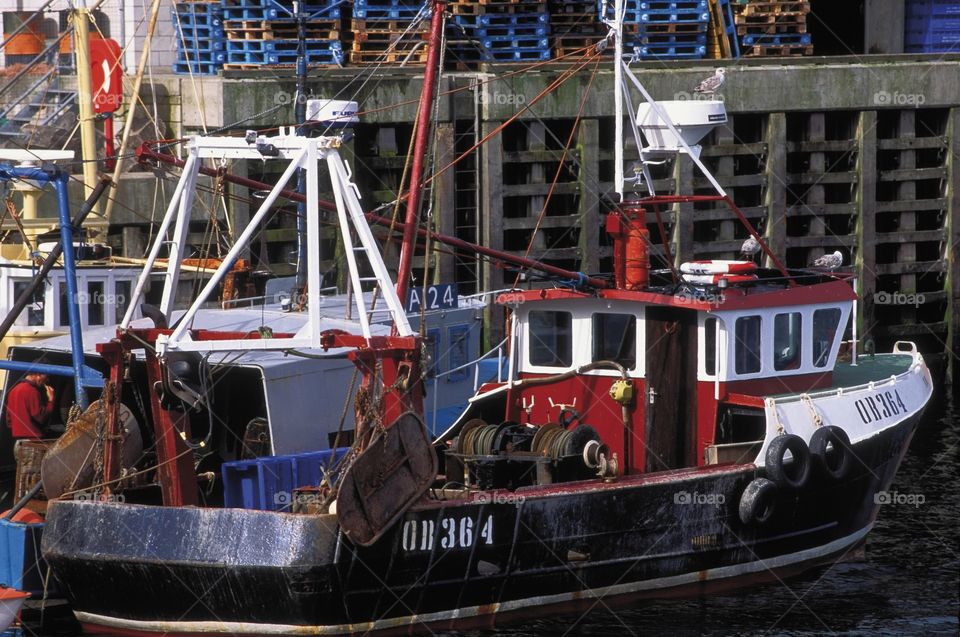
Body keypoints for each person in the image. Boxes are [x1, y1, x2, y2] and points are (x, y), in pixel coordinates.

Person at [6, 372, 55, 440]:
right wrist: (51, 400)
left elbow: (9, 420)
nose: (47, 380)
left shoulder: (13, 390)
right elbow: (41, 417)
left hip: (18, 439)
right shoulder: (32, 391)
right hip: (33, 440)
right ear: (38, 374)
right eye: (46, 377)